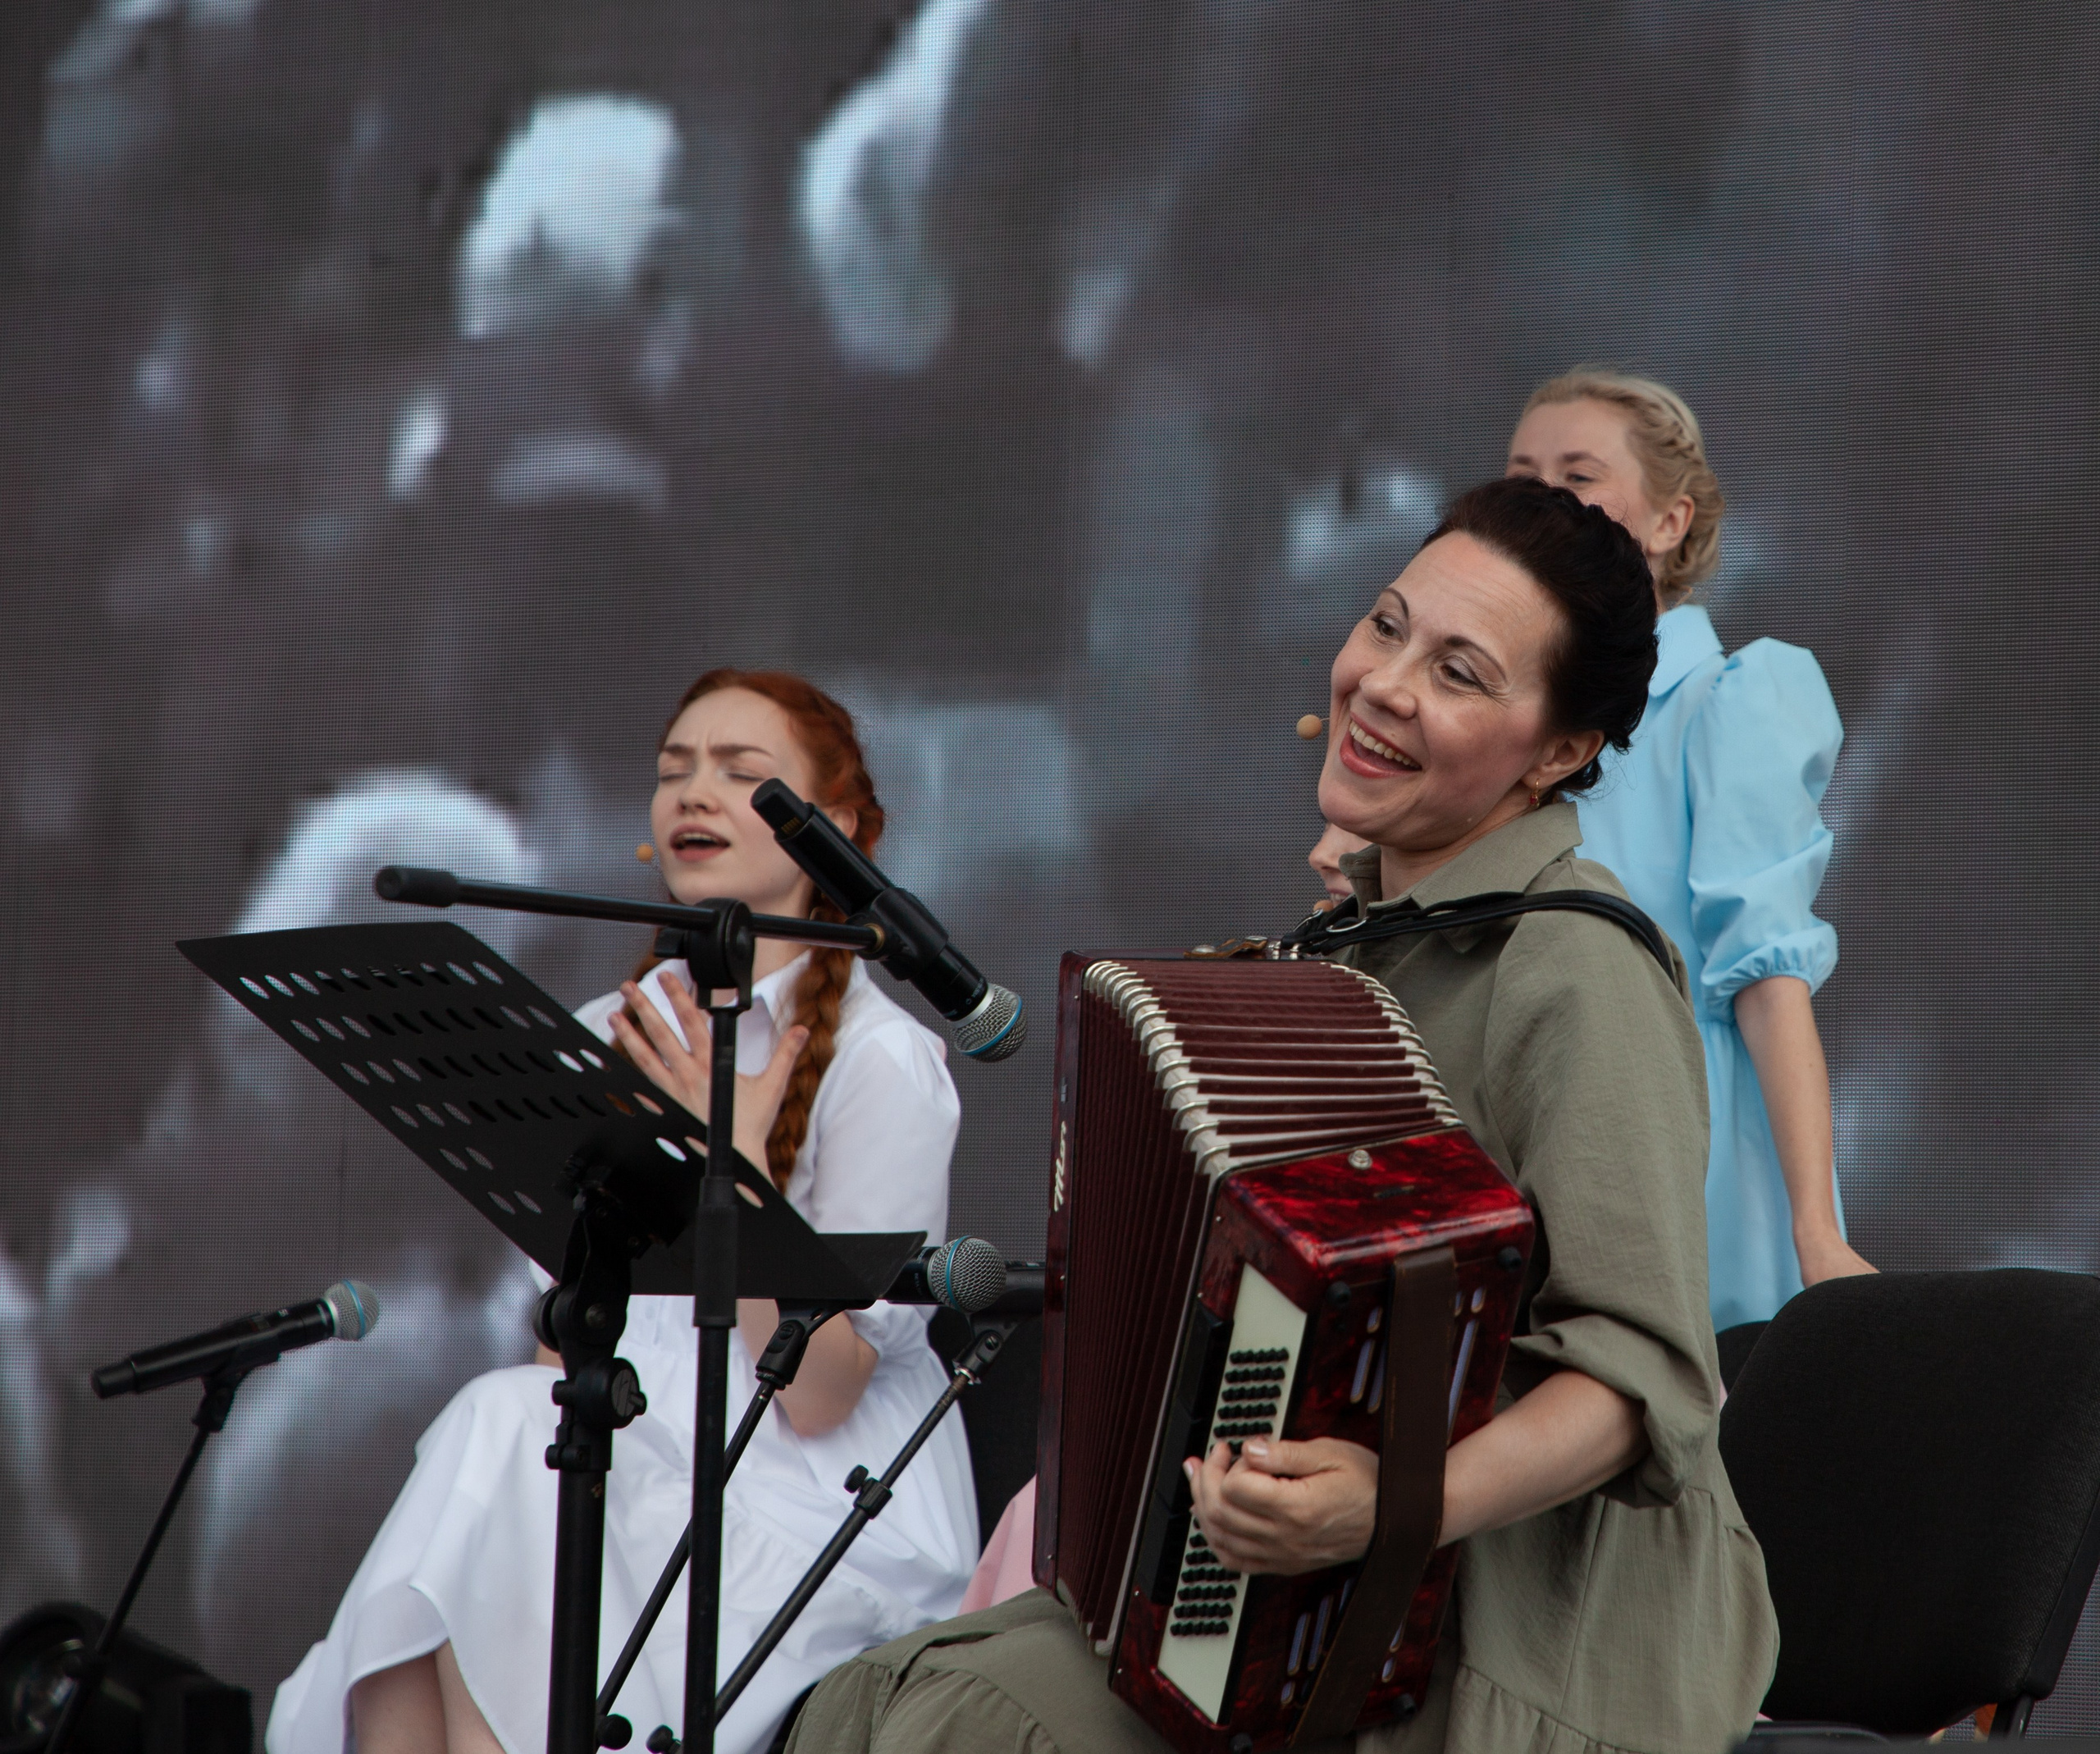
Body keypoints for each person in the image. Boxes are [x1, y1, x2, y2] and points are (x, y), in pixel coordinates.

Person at [785, 477, 1777, 1754]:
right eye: (1387, 624)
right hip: (1299, 1597)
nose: (1386, 682)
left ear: (1560, 751)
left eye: (1462, 672)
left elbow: (1640, 1381)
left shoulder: (1577, 965)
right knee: (875, 1701)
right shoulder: (1345, 954)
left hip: (1521, 1610)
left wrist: (1388, 1502)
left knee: (975, 1728)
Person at [268, 671, 976, 1754]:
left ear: (834, 832)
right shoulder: (608, 1026)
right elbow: (562, 1331)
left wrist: (727, 1167)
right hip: (628, 1450)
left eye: (743, 775)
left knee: (495, 1435)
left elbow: (826, 1392)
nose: (693, 794)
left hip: (820, 1507)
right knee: (491, 1473)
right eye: (672, 771)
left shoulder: (883, 1060)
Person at [1506, 368, 1873, 1330]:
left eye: (1578, 474)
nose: (1544, 500)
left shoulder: (1729, 702)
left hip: (1687, 1147)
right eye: (1521, 474)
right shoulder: (1506, 722)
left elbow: (1766, 973)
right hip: (1525, 1134)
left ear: (1670, 522)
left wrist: (1813, 1233)